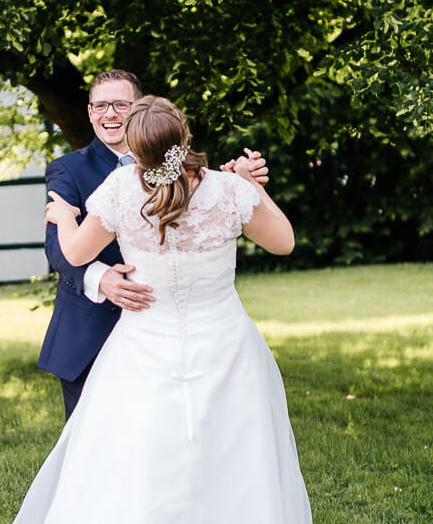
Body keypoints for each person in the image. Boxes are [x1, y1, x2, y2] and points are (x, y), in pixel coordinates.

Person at [0, 96, 353, 524]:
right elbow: (284, 242)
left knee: (136, 475)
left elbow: (76, 253)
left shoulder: (121, 190)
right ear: (184, 135)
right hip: (226, 352)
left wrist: (62, 216)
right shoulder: (228, 190)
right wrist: (252, 185)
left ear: (137, 150)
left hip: (144, 352)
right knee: (231, 474)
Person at [37, 69, 268, 418]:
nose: (110, 114)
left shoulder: (189, 169)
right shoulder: (67, 169)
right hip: (90, 329)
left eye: (120, 105)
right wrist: (99, 278)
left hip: (173, 333)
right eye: (100, 106)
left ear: (139, 109)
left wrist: (249, 185)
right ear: (89, 112)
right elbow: (57, 244)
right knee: (94, 439)